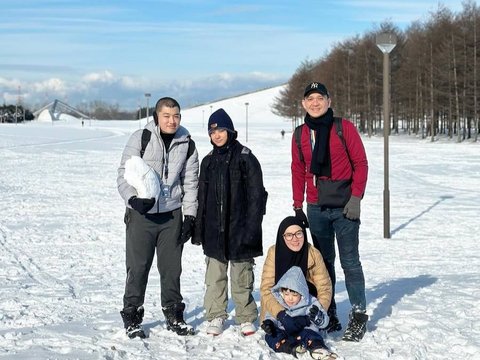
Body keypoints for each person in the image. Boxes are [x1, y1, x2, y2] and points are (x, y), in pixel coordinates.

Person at [291, 82, 369, 341]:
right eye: (310, 98)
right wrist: (297, 205)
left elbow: (360, 163)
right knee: (324, 264)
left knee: (350, 262)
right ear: (303, 103)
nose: (315, 103)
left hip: (345, 207)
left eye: (319, 98)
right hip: (316, 208)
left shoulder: (343, 127)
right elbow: (298, 169)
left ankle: (358, 314)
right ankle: (330, 310)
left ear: (328, 100)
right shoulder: (300, 134)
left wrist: (356, 197)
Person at [117, 96, 199, 338]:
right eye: (166, 116)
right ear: (157, 117)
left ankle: (174, 314)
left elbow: (190, 183)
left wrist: (190, 216)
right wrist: (132, 199)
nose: (172, 121)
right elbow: (124, 174)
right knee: (138, 267)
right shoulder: (140, 138)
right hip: (141, 215)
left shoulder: (187, 143)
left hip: (171, 216)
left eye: (176, 116)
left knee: (172, 269)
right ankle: (132, 316)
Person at [192, 108, 267, 336]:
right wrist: (199, 230)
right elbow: (201, 200)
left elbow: (257, 197)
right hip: (214, 230)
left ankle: (245, 316)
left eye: (221, 130)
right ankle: (216, 315)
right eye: (212, 131)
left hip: (240, 229)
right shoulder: (208, 162)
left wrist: (252, 229)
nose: (217, 135)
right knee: (214, 277)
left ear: (230, 131)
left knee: (241, 276)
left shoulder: (246, 158)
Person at [260, 217, 332, 352]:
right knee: (274, 335)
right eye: (289, 235)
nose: (295, 238)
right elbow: (266, 289)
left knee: (309, 333)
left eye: (299, 233)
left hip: (305, 310)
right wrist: (280, 315)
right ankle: (290, 347)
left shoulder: (313, 254)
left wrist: (315, 312)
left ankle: (316, 347)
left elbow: (325, 287)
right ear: (282, 236)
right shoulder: (274, 253)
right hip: (279, 310)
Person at [262, 266, 338, 359]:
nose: (290, 298)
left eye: (294, 295)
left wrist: (317, 317)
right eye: (286, 294)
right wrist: (269, 324)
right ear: (282, 292)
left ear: (302, 293)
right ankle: (291, 347)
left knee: (311, 334)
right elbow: (271, 315)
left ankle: (317, 348)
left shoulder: (310, 302)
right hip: (284, 333)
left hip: (303, 332)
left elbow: (324, 321)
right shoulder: (279, 301)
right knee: (270, 336)